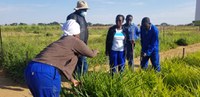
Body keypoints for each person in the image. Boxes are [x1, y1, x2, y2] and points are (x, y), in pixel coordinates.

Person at [24, 19, 98, 97]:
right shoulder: (74, 41)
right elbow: (91, 54)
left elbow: (61, 66)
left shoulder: (61, 41)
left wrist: (72, 80)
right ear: (76, 33)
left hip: (30, 69)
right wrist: (96, 51)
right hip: (46, 71)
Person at [67, 0, 89, 76]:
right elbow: (70, 32)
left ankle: (83, 79)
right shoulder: (72, 17)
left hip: (83, 45)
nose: (86, 11)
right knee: (79, 63)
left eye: (86, 9)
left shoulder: (82, 17)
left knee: (83, 63)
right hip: (76, 45)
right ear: (78, 9)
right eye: (84, 9)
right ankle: (78, 80)